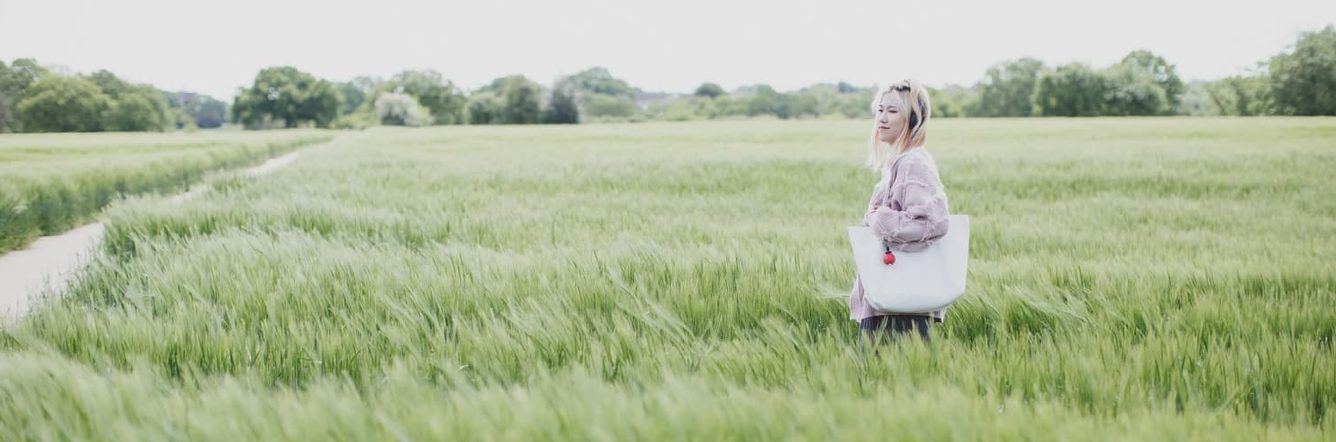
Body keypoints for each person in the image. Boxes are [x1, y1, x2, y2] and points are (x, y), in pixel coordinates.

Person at [849, 79, 951, 348]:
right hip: (889, 298)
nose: (882, 118)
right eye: (880, 110)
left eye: (892, 111)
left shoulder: (913, 163)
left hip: (900, 303)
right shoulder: (900, 162)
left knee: (881, 380)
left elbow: (934, 221)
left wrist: (879, 219)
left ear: (914, 117)